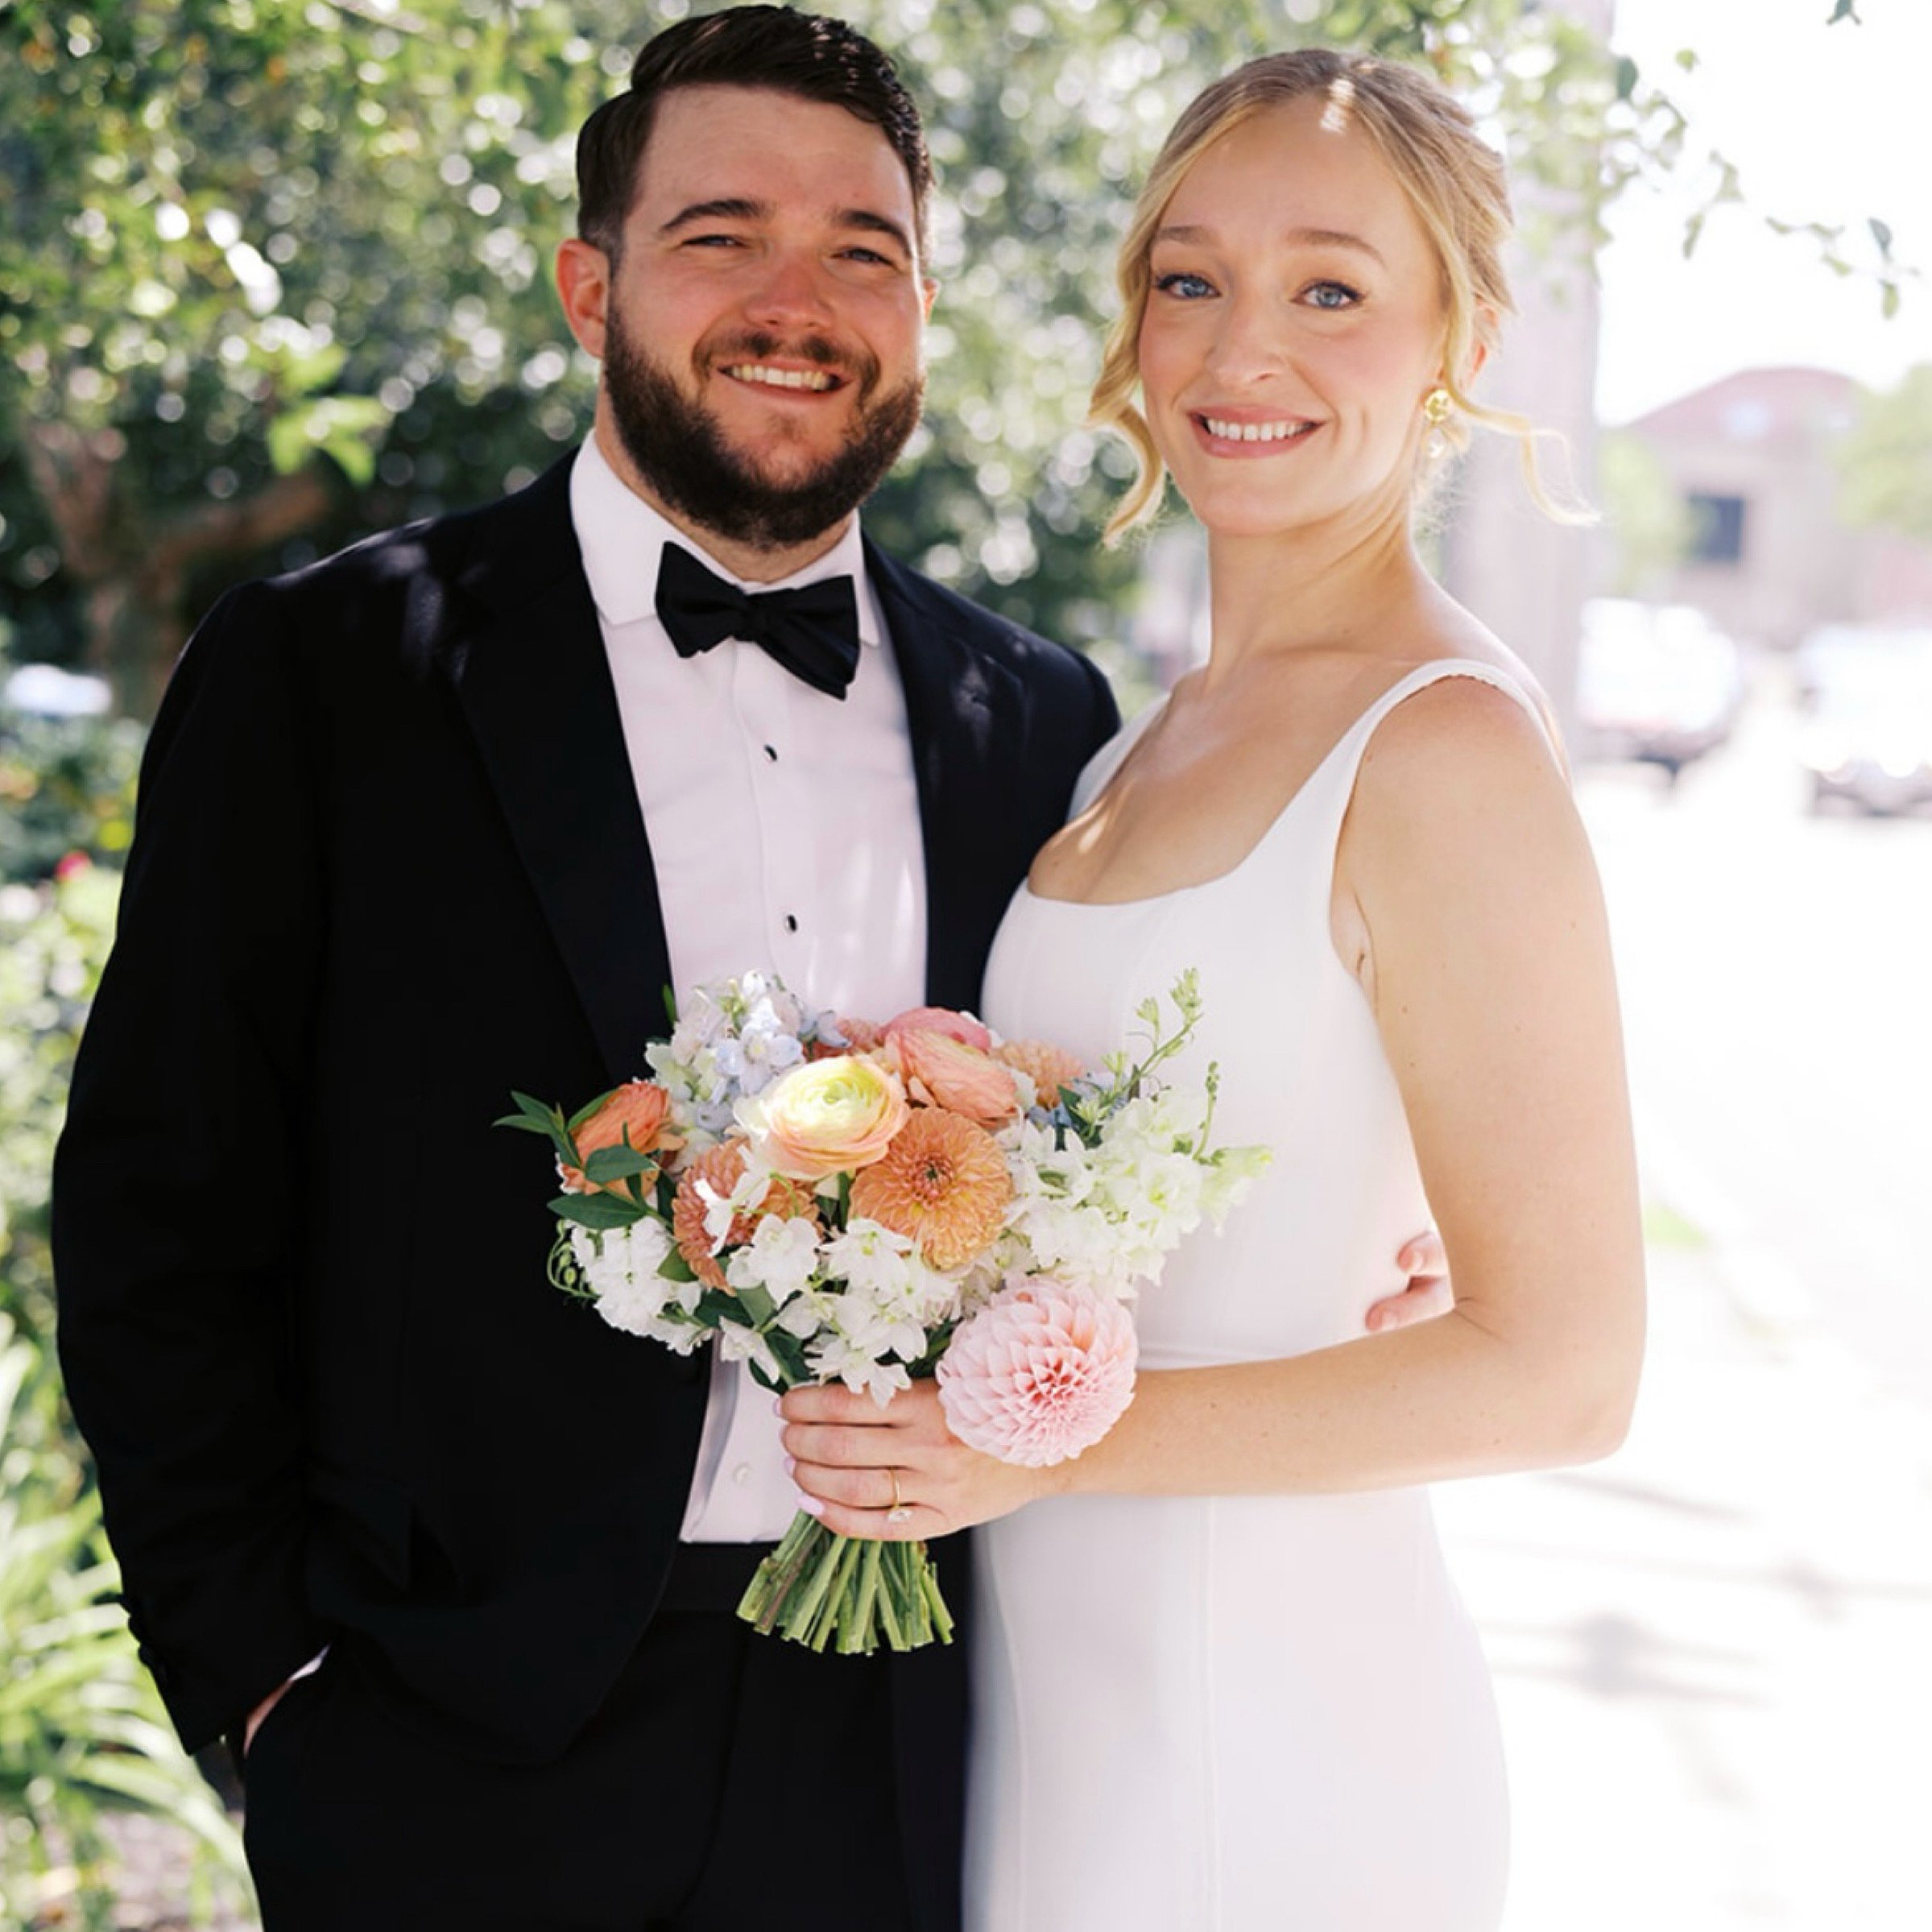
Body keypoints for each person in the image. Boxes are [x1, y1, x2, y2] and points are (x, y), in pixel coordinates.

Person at [53, 13, 1448, 1928]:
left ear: (926, 307)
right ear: (588, 281)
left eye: (864, 251)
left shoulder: (1041, 716)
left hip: (917, 1733)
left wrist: (1365, 1221)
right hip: (445, 1738)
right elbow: (158, 1210)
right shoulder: (331, 674)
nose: (800, 303)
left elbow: (1150, 1093)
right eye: (721, 234)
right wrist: (265, 1694)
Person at [780, 47, 1647, 1932]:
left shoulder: (1443, 752)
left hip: (1274, 1739)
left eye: (1331, 289)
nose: (1242, 351)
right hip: (1052, 1712)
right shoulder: (1126, 747)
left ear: (1459, 335)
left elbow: (1569, 1373)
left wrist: (1017, 1442)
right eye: (1192, 280)